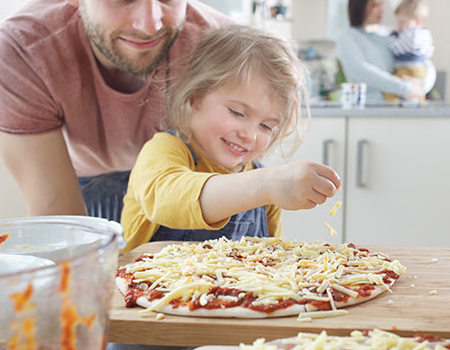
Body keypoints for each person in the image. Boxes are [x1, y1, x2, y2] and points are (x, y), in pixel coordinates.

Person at [0, 0, 229, 216]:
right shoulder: (20, 52)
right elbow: (57, 212)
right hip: (88, 189)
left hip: (196, 188)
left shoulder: (220, 47)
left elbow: (236, 176)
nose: (149, 24)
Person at [121, 25, 341, 249]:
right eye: (237, 113)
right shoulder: (165, 148)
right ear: (195, 98)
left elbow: (271, 261)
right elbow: (166, 200)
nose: (249, 135)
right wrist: (265, 185)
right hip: (143, 282)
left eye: (266, 126)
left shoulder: (262, 183)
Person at [336, 0, 434, 102]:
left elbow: (424, 62)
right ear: (360, 5)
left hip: (400, 108)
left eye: (382, 3)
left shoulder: (392, 34)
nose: (382, 9)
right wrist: (406, 88)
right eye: (376, 4)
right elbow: (360, 71)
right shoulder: (347, 37)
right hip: (368, 110)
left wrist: (422, 85)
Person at [385, 0, 434, 101]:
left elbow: (396, 48)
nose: (399, 25)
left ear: (418, 21)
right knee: (416, 93)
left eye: (402, 22)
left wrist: (392, 36)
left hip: (407, 70)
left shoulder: (410, 34)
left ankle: (393, 105)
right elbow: (429, 52)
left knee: (389, 89)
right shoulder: (425, 33)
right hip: (421, 70)